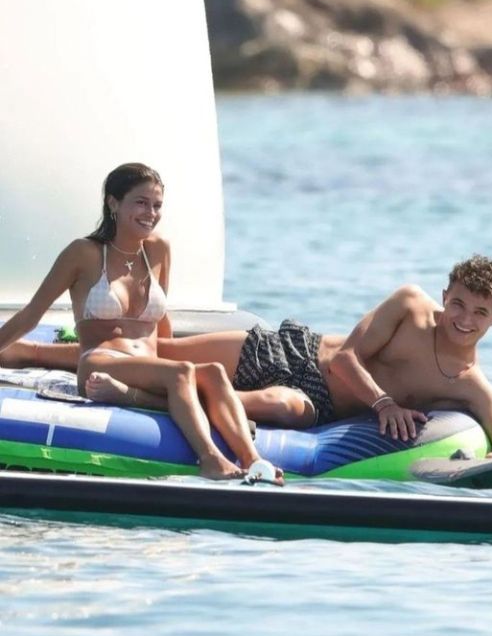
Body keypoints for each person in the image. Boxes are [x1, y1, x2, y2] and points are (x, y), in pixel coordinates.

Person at [1, 255, 492, 457]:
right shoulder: (411, 306)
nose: (463, 318)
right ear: (446, 293)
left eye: (479, 312)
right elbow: (346, 360)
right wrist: (385, 404)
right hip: (298, 351)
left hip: (317, 401)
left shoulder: (472, 387)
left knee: (277, 406)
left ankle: (134, 395)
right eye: (458, 303)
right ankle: (27, 352)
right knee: (158, 350)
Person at [0, 162, 282, 482]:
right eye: (141, 203)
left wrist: (171, 362)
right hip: (100, 361)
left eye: (157, 205)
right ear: (113, 203)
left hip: (148, 365)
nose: (151, 213)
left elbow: (161, 319)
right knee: (182, 372)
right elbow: (32, 314)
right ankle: (211, 458)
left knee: (214, 373)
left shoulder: (158, 250)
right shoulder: (84, 253)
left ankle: (255, 461)